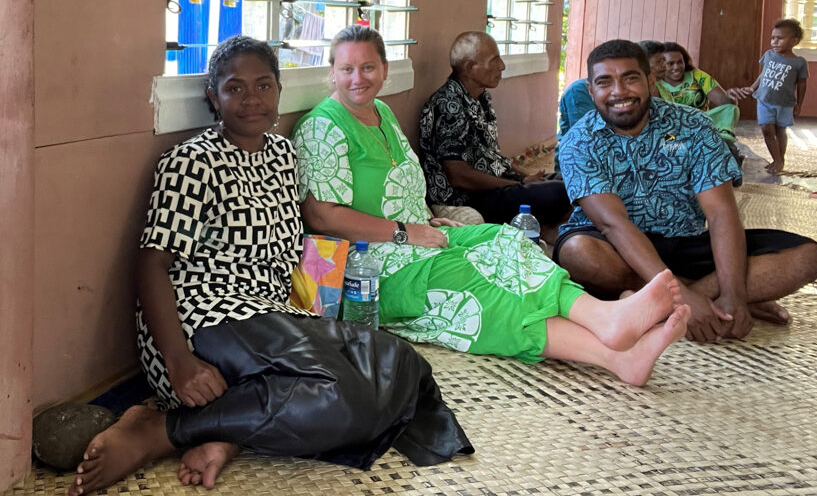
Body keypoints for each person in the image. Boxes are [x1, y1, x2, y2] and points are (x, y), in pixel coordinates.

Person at [67, 36, 472, 496]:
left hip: (274, 313)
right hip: (205, 315)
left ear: (278, 91)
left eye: (263, 85)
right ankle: (159, 430)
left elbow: (299, 244)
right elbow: (152, 264)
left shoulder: (282, 156)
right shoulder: (191, 161)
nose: (251, 99)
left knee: (400, 363)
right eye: (234, 88)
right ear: (212, 97)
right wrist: (179, 362)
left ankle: (227, 432)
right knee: (338, 394)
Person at [294, 25, 689, 387]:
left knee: (507, 241)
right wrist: (406, 231)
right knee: (480, 281)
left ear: (383, 70)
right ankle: (608, 339)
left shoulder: (379, 112)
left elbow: (391, 189)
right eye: (347, 69)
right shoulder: (323, 126)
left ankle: (612, 340)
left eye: (367, 67)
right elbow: (321, 215)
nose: (357, 78)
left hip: (413, 238)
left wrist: (423, 217)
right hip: (366, 266)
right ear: (332, 72)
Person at [555, 39, 817, 344]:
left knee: (808, 257)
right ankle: (699, 296)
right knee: (577, 252)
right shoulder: (578, 142)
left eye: (630, 78)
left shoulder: (693, 125)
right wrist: (680, 296)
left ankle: (652, 306)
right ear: (592, 91)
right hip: (614, 247)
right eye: (605, 82)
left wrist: (735, 295)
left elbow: (720, 212)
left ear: (649, 81)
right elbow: (613, 225)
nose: (619, 92)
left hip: (685, 241)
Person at [419, 31, 570, 243]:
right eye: (494, 60)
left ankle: (549, 230)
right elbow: (458, 175)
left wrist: (523, 176)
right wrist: (514, 184)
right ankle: (550, 232)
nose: (502, 66)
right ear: (471, 68)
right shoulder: (448, 104)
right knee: (560, 192)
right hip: (469, 197)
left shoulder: (480, 96)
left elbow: (492, 156)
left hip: (494, 187)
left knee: (571, 181)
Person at [728, 18, 809, 174]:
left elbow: (802, 84)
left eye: (780, 38)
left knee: (780, 131)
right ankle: (777, 160)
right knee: (766, 129)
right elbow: (763, 75)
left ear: (794, 41)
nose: (774, 42)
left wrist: (799, 104)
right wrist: (752, 88)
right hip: (764, 100)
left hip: (785, 104)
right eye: (773, 38)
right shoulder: (769, 55)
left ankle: (779, 159)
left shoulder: (799, 62)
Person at [658, 41, 739, 144]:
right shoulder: (655, 82)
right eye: (670, 64)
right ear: (660, 65)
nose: (676, 67)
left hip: (701, 123)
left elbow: (724, 102)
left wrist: (730, 95)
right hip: (673, 127)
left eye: (680, 62)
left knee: (731, 109)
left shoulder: (697, 75)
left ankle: (722, 137)